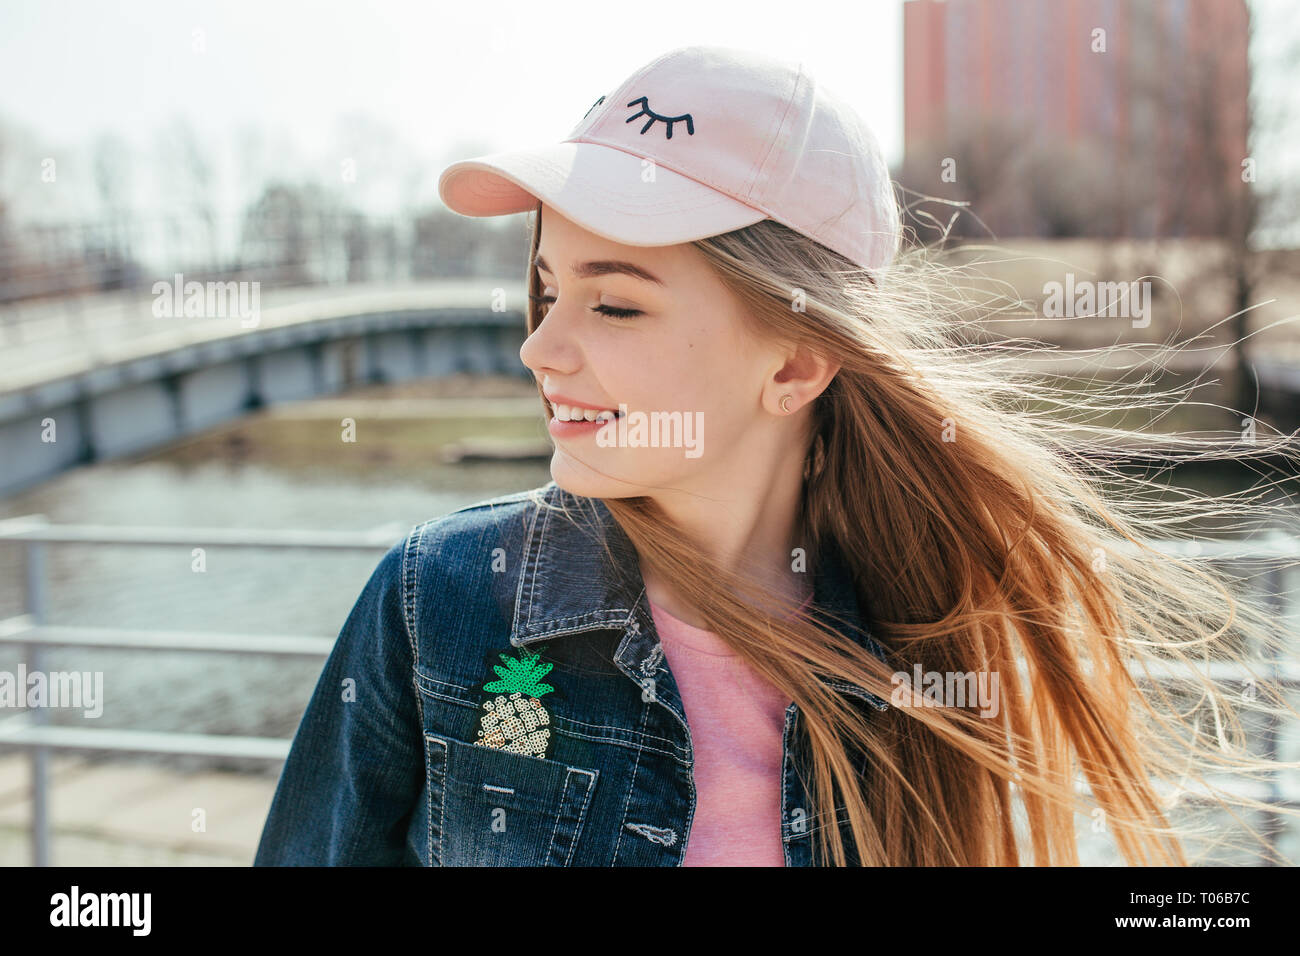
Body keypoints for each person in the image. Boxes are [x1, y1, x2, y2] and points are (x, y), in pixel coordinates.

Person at [255, 44, 1299, 867]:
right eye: (545, 291)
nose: (539, 347)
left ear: (796, 363)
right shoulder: (436, 602)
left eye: (613, 302)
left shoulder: (927, 638)